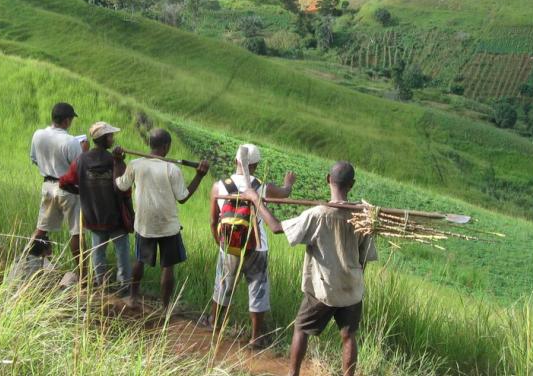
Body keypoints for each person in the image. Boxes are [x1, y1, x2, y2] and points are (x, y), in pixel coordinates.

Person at [241, 161, 378, 376]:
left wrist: (255, 199)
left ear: (327, 179)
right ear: (351, 185)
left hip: (322, 287)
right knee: (349, 336)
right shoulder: (363, 217)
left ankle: (293, 374)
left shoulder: (316, 214)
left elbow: (276, 227)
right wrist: (355, 278)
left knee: (301, 328)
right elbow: (364, 258)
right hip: (351, 287)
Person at [208, 143, 295, 348]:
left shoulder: (219, 186)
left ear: (235, 161)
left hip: (229, 245)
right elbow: (285, 193)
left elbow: (213, 221)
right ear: (255, 165)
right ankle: (256, 337)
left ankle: (214, 324)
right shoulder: (262, 187)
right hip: (257, 246)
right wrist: (288, 182)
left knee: (223, 284)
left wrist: (221, 243)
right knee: (258, 288)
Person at [115, 128, 209, 307]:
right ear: (166, 146)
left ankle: (133, 297)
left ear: (150, 145)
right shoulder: (171, 169)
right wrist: (199, 175)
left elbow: (120, 185)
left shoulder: (135, 164)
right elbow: (183, 198)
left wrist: (118, 162)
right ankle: (165, 307)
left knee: (140, 260)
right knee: (168, 266)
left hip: (144, 224)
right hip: (168, 226)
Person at [60, 121, 131, 291]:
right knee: (122, 251)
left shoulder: (81, 160)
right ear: (105, 138)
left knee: (98, 251)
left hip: (93, 215)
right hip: (115, 216)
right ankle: (124, 286)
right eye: (111, 136)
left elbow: (64, 182)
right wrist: (120, 163)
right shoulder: (113, 161)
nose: (113, 138)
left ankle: (100, 284)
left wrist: (81, 191)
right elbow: (125, 189)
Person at [30, 102, 87, 278]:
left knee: (41, 229)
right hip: (68, 190)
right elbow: (79, 168)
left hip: (47, 185)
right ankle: (83, 276)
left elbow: (34, 159)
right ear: (67, 120)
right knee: (76, 232)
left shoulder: (38, 135)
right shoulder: (71, 141)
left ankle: (30, 263)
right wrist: (84, 151)